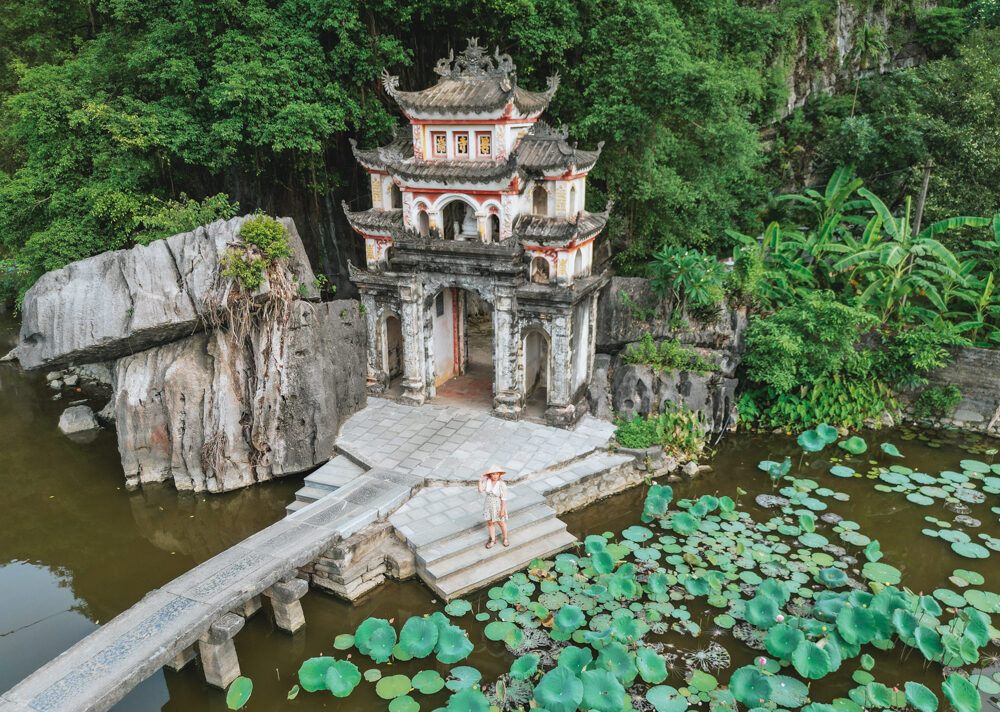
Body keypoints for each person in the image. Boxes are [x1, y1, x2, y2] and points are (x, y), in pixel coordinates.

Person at [478, 466, 509, 548]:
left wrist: (502, 510)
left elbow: (504, 498)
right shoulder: (487, 481)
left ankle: (505, 538)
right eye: (493, 474)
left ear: (499, 475)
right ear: (490, 475)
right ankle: (492, 540)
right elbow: (480, 490)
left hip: (498, 505)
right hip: (488, 505)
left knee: (501, 523)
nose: (495, 476)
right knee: (490, 523)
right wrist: (480, 480)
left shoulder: (501, 484)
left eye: (497, 474)